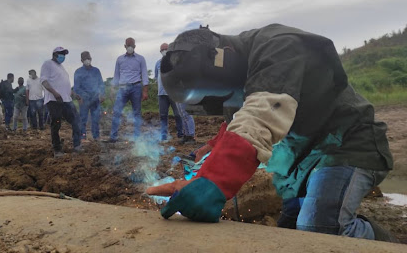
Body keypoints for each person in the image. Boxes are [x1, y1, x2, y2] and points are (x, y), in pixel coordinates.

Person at [146, 24, 397, 242]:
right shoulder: (234, 79)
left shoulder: (278, 46)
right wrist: (203, 169)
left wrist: (214, 183)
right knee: (289, 233)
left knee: (320, 228)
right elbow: (239, 123)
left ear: (225, 58)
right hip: (298, 162)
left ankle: (385, 243)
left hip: (345, 145)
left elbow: (263, 111)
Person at [40, 47, 82, 157]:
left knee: (76, 120)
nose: (63, 56)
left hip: (66, 100)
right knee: (56, 123)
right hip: (54, 100)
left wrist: (74, 94)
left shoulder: (61, 67)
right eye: (61, 54)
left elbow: (65, 85)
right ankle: (57, 149)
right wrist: (54, 93)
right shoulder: (47, 64)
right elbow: (43, 81)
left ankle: (77, 145)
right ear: (55, 54)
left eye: (64, 54)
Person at [109, 37, 149, 142]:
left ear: (135, 46)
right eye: (128, 45)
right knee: (116, 111)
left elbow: (144, 75)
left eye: (132, 45)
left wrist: (145, 91)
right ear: (125, 46)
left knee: (137, 113)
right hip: (122, 88)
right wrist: (113, 89)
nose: (130, 47)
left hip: (136, 87)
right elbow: (116, 75)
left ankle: (136, 137)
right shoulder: (120, 59)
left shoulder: (140, 59)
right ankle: (113, 137)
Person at [155, 43, 183, 141]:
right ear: (160, 51)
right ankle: (164, 136)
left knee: (178, 114)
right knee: (163, 116)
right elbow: (156, 77)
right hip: (161, 94)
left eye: (166, 49)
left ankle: (181, 134)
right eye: (162, 49)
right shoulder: (158, 63)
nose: (164, 51)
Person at [74, 51, 105, 141]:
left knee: (95, 118)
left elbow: (101, 83)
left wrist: (102, 94)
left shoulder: (96, 70)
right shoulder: (78, 72)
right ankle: (83, 136)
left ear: (91, 59)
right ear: (81, 60)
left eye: (88, 58)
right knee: (83, 119)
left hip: (95, 98)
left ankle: (96, 136)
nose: (87, 60)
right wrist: (79, 97)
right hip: (84, 99)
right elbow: (76, 87)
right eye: (85, 59)